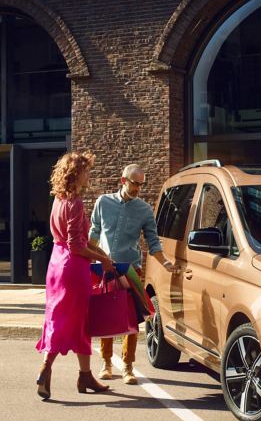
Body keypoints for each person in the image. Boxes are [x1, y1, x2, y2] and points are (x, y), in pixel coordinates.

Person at [89, 163, 178, 384]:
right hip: (106, 269)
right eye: (135, 183)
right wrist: (88, 261)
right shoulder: (103, 202)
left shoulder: (144, 210)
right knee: (107, 316)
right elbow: (94, 234)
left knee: (130, 319)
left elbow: (153, 242)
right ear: (123, 180)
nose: (138, 188)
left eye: (141, 184)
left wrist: (165, 263)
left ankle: (128, 366)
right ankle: (106, 363)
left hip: (131, 269)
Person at [36, 151, 115, 399]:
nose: (88, 175)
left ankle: (80, 374)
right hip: (73, 268)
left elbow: (72, 241)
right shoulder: (76, 203)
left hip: (56, 265)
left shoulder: (59, 199)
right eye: (85, 171)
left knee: (58, 319)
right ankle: (54, 370)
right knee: (78, 322)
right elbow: (76, 246)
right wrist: (103, 260)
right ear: (75, 173)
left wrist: (101, 253)